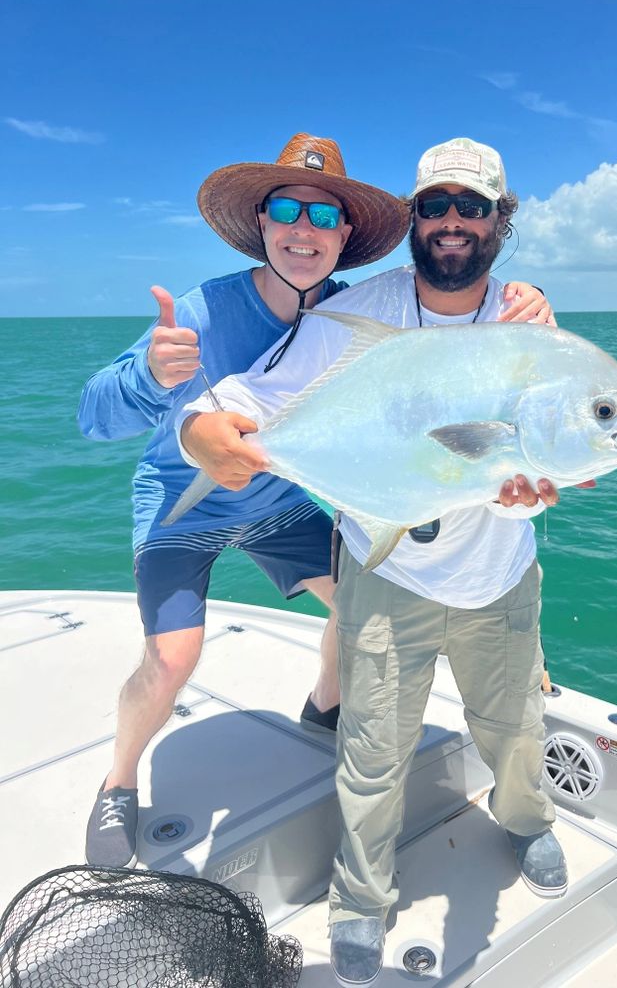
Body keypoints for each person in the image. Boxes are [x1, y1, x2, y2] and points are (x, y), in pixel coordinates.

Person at [77, 132, 549, 872]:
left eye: (324, 217)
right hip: (183, 504)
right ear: (260, 224)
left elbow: (455, 310)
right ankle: (119, 778)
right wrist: (150, 376)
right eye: (288, 210)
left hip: (282, 499)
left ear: (346, 237)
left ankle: (323, 703)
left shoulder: (351, 312)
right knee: (173, 660)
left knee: (355, 604)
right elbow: (92, 417)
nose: (305, 230)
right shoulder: (199, 311)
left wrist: (526, 302)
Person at [178, 137, 568, 987]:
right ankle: (360, 900)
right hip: (385, 573)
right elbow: (248, 399)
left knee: (512, 730)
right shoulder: (361, 312)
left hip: (499, 578)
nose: (453, 222)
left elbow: (551, 451)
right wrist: (202, 429)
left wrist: (535, 490)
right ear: (414, 219)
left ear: (501, 220)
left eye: (473, 205)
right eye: (436, 205)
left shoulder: (527, 324)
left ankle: (527, 818)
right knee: (373, 750)